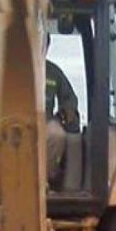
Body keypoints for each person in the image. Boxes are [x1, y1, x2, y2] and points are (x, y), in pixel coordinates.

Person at [45, 36, 80, 185]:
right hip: (12, 118)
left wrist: (63, 115)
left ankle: (43, 178)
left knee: (56, 134)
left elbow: (70, 100)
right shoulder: (13, 68)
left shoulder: (53, 72)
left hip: (44, 121)